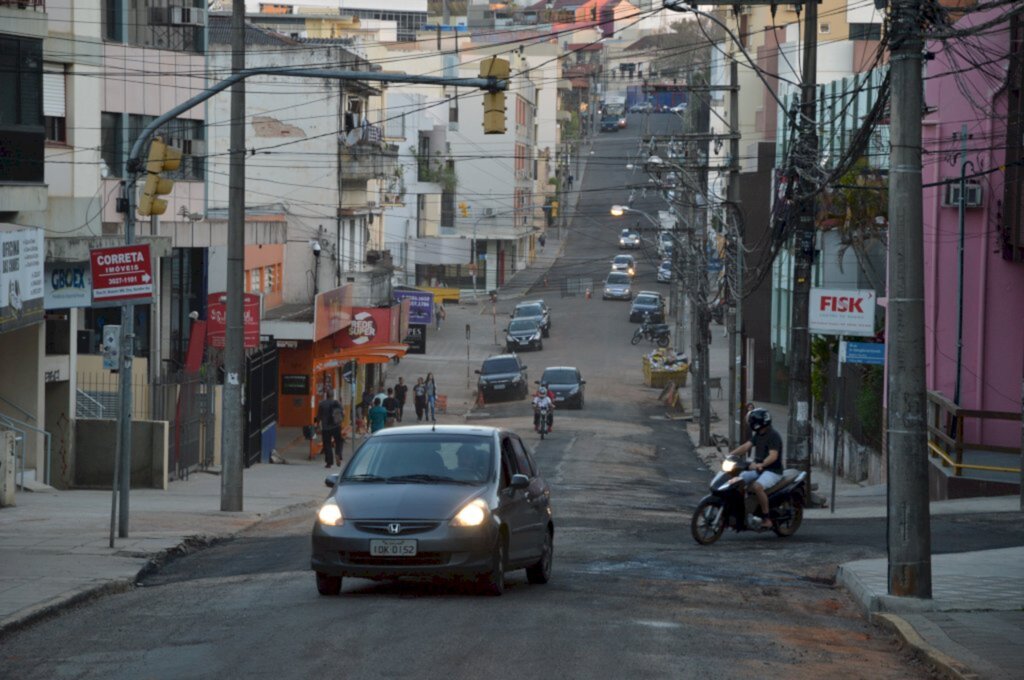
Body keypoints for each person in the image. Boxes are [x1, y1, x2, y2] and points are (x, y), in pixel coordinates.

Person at [726, 408, 783, 529]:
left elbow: (773, 456)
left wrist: (761, 464)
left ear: (757, 423)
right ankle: (743, 510)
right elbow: (746, 446)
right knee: (739, 479)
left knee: (757, 486)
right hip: (759, 469)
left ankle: (767, 518)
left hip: (773, 471)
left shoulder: (773, 436)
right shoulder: (758, 435)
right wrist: (731, 455)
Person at [314, 389, 345, 468]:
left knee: (327, 444)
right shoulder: (337, 403)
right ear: (333, 395)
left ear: (326, 395)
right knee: (339, 441)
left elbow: (319, 416)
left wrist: (317, 425)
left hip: (326, 427)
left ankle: (329, 462)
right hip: (336, 426)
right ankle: (338, 454)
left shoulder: (322, 404)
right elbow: (342, 414)